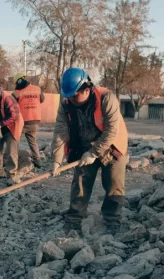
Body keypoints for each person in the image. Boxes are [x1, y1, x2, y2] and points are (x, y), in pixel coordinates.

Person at [51, 67, 128, 235]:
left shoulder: (106, 98)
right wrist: (56, 160)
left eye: (74, 95)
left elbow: (111, 130)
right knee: (80, 182)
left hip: (111, 144)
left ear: (86, 89)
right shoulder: (66, 104)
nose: (71, 99)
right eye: (68, 95)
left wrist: (94, 153)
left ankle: (112, 219)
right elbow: (60, 131)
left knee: (114, 183)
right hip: (84, 145)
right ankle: (74, 218)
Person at [12, 73, 45, 168]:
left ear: (18, 81)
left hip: (23, 122)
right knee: (33, 141)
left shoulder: (17, 93)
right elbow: (42, 100)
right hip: (35, 121)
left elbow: (10, 104)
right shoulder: (37, 89)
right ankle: (38, 160)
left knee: (15, 140)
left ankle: (13, 160)